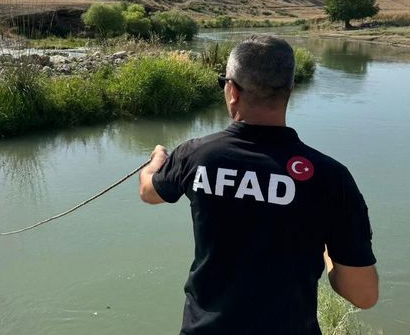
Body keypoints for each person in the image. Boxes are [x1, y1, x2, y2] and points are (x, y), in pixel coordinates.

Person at [139, 35, 378, 335]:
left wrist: (157, 161)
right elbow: (363, 295)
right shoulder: (331, 178)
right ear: (289, 90)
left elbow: (150, 192)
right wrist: (328, 250)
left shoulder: (196, 155)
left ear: (232, 91)